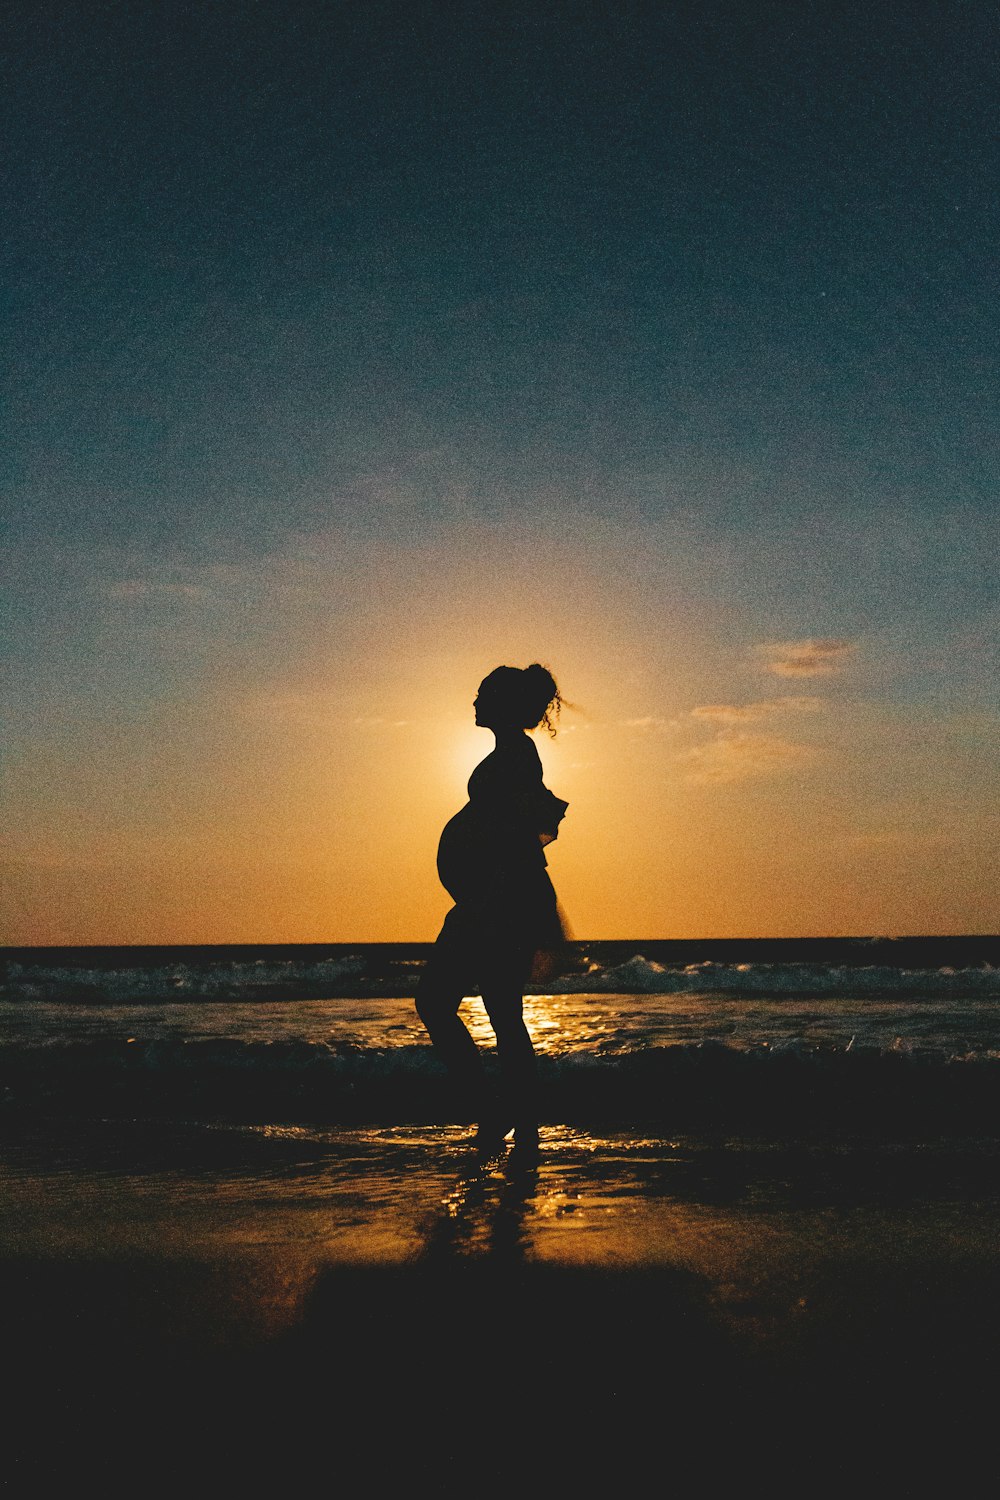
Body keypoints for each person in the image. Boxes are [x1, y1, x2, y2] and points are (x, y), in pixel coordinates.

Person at [415, 663, 569, 1153]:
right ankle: (516, 1124)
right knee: (500, 1013)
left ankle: (498, 1114)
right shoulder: (509, 753)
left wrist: (488, 896)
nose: (475, 703)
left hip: (496, 903)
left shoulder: (517, 756)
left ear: (501, 703)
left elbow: (516, 833)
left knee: (440, 1004)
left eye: (482, 695)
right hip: (493, 901)